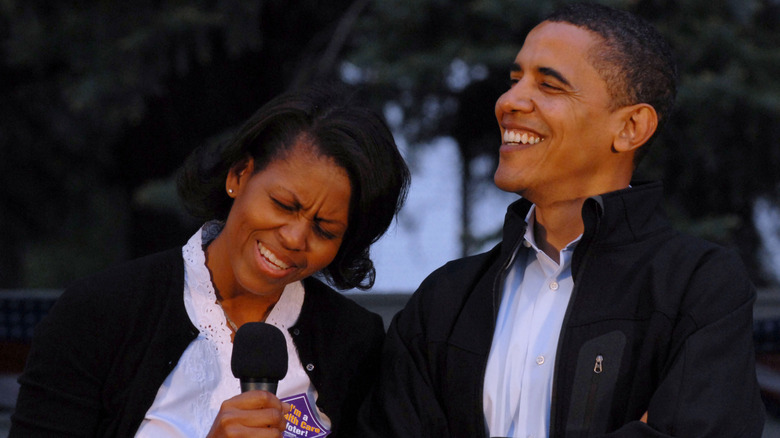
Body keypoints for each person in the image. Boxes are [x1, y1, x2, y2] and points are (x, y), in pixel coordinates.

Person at [357, 3, 765, 437]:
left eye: (549, 85)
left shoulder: (699, 288)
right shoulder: (444, 301)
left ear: (630, 127)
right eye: (514, 80)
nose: (509, 101)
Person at [10, 84, 410, 437]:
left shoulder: (353, 342)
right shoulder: (101, 313)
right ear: (238, 175)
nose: (294, 237)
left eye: (324, 229)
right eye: (283, 204)